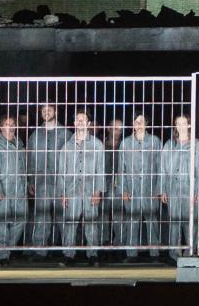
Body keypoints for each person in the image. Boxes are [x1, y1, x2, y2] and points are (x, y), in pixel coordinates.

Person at [58, 110, 107, 262]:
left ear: (89, 124)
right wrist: (63, 193)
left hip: (90, 190)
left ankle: (92, 254)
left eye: (83, 119)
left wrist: (98, 191)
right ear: (74, 123)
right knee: (70, 223)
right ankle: (68, 254)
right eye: (77, 119)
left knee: (91, 222)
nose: (80, 122)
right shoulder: (66, 147)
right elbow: (62, 172)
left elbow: (101, 169)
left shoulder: (97, 145)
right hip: (72, 190)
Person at [116, 113, 162, 259]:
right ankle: (131, 254)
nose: (139, 124)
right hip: (132, 188)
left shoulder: (155, 141)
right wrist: (123, 189)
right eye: (136, 121)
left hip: (150, 188)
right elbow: (121, 169)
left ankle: (154, 253)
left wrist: (159, 189)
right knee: (132, 220)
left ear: (147, 124)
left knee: (152, 220)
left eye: (141, 121)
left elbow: (161, 167)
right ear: (133, 124)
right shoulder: (125, 143)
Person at [28, 103, 70, 255]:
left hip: (61, 183)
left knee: (64, 218)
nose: (46, 112)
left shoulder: (66, 134)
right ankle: (40, 252)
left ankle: (67, 252)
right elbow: (30, 158)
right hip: (41, 182)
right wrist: (31, 180)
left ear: (56, 111)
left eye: (49, 109)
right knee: (42, 217)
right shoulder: (35, 134)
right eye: (43, 110)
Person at [0, 115, 28, 261]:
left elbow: (24, 167)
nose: (10, 127)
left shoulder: (20, 143)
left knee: (21, 219)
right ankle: (2, 255)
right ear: (0, 127)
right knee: (1, 223)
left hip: (19, 189)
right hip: (2, 188)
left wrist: (27, 184)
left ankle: (7, 249)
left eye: (12, 124)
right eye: (6, 124)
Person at [158, 113, 196, 260]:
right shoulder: (169, 144)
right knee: (174, 222)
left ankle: (191, 252)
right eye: (178, 123)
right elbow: (162, 169)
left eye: (183, 122)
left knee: (189, 222)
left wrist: (198, 191)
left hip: (189, 188)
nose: (180, 126)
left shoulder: (196, 144)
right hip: (173, 188)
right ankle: (174, 254)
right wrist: (162, 190)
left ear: (189, 125)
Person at [101, 117, 127, 248]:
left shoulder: (125, 145)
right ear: (108, 128)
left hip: (119, 183)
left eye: (119, 128)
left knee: (119, 215)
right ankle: (104, 241)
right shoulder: (101, 145)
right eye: (113, 127)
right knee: (103, 214)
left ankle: (119, 244)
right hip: (103, 184)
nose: (116, 130)